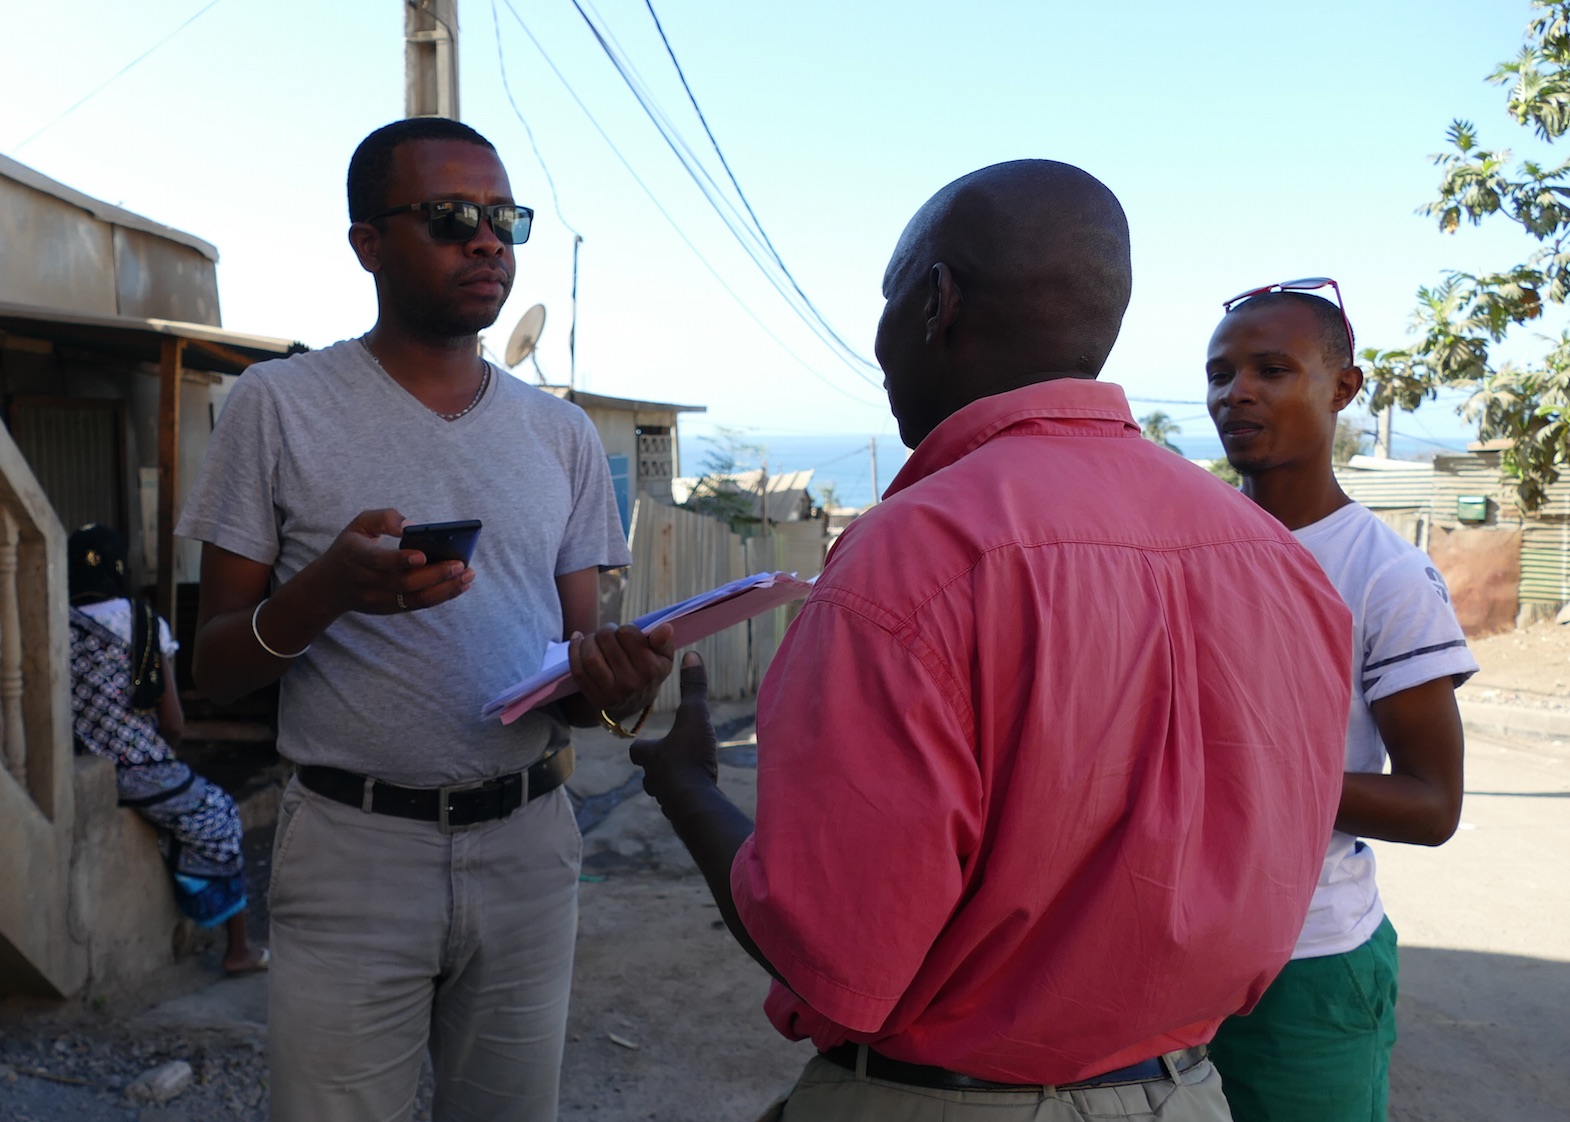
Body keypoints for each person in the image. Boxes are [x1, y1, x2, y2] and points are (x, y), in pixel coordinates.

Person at [629, 160, 1354, 1122]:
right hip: (1185, 1093)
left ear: (938, 301)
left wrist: (688, 789)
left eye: (888, 300)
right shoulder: (1276, 559)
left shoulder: (914, 557)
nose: (880, 342)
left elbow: (838, 953)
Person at [174, 117, 673, 1122]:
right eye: (450, 217)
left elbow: (572, 678)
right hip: (354, 853)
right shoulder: (278, 406)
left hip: (530, 846)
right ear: (367, 243)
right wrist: (326, 592)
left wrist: (615, 687)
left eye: (504, 219)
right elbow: (213, 669)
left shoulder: (561, 434)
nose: (486, 241)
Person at [1204, 282, 1477, 1122]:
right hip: (1173, 952)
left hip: (1308, 965)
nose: (1236, 393)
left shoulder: (1385, 576)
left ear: (1344, 388)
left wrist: (1243, 775)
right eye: (1220, 374)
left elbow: (1432, 805)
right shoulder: (1186, 551)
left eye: (1271, 369)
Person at [66, 523, 267, 975]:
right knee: (221, 812)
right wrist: (165, 754)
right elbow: (173, 722)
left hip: (79, 766)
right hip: (141, 771)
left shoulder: (53, 623)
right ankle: (238, 948)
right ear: (121, 567)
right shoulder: (142, 622)